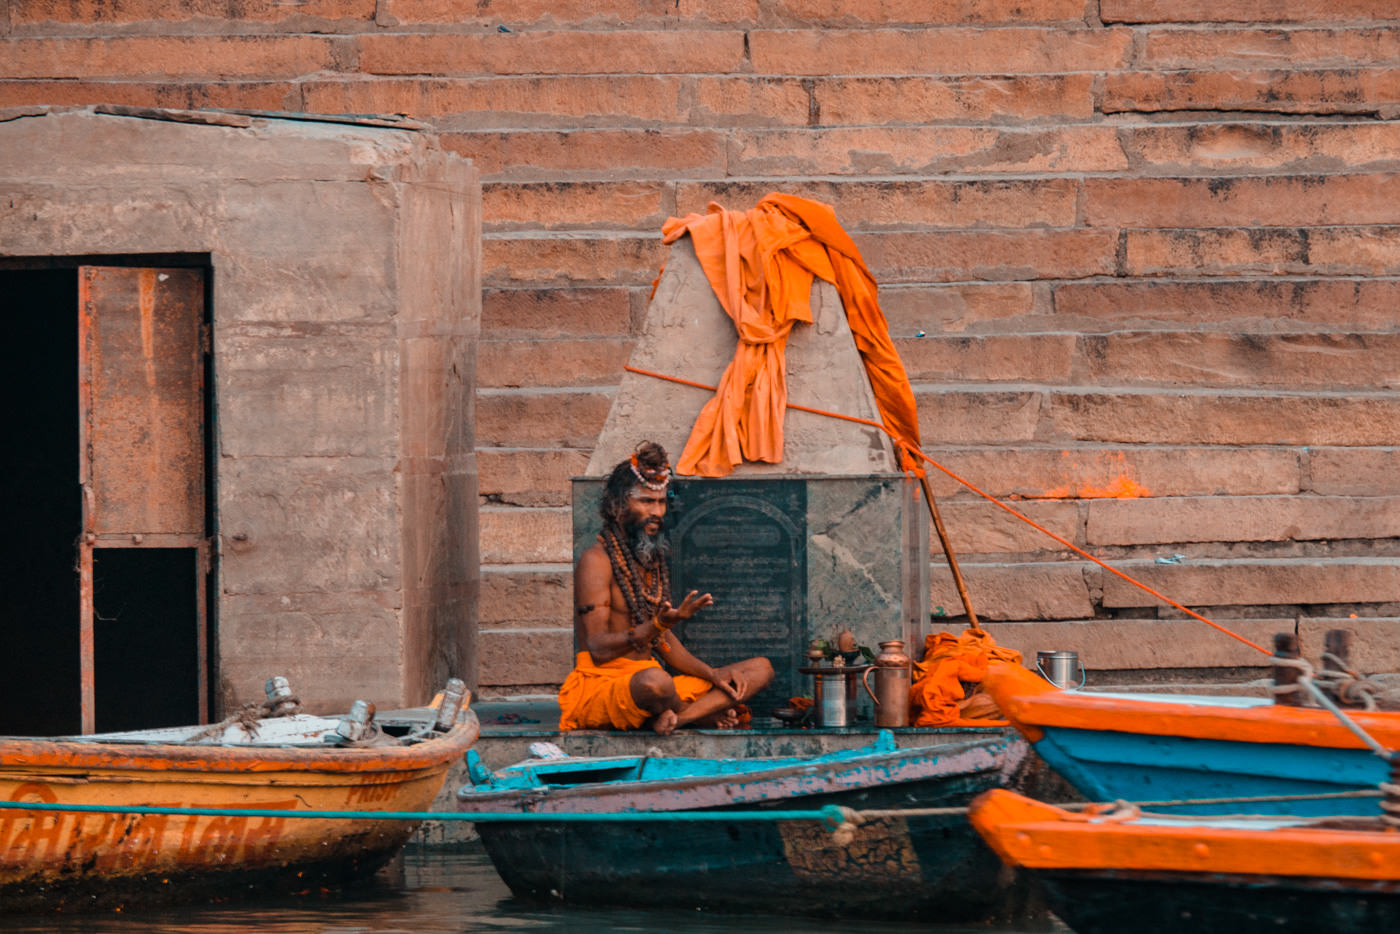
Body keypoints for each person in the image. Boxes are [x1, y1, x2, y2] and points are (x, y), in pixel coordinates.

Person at [558, 441, 774, 735]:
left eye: (661, 502)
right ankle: (696, 714)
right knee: (655, 682)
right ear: (618, 506)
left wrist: (712, 673)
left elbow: (664, 642)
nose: (657, 511)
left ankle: (678, 719)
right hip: (606, 684)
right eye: (646, 502)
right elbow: (597, 648)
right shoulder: (596, 560)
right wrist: (657, 624)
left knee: (760, 669)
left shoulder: (647, 557)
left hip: (654, 682)